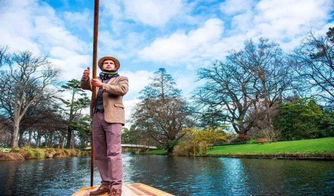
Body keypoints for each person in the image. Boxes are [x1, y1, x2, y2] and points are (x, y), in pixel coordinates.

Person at [80, 55, 129, 196]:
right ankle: (106, 184)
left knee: (113, 153)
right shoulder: (97, 79)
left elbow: (122, 90)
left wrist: (102, 86)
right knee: (100, 153)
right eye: (106, 63)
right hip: (97, 117)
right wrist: (85, 78)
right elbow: (85, 86)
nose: (108, 64)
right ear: (102, 66)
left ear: (115, 66)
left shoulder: (121, 79)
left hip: (113, 118)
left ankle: (116, 187)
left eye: (111, 63)